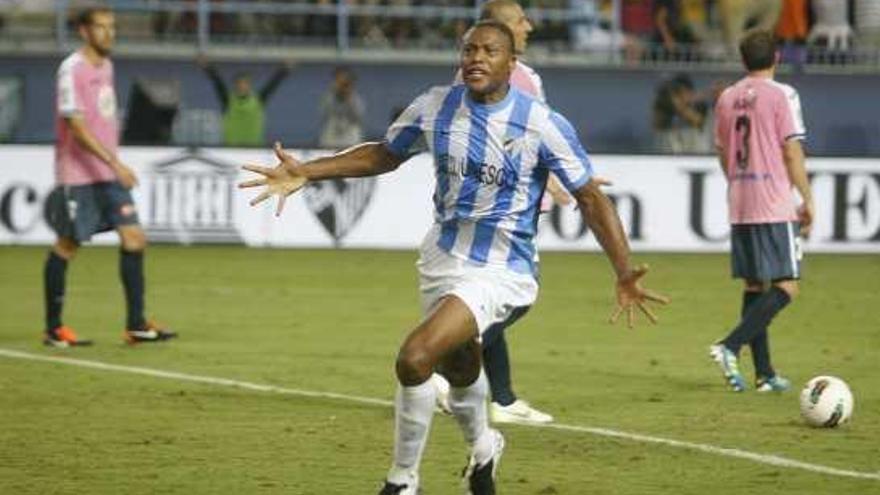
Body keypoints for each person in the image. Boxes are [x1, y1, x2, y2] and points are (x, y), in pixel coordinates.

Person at [240, 20, 668, 495]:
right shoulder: (435, 105)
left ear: (512, 63)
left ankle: (402, 482)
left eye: (488, 51)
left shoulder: (539, 122)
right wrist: (310, 171)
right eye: (469, 50)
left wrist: (624, 272)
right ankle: (485, 448)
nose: (476, 59)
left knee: (416, 357)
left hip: (502, 268)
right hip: (442, 259)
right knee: (463, 368)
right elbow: (385, 154)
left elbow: (589, 196)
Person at [433, 0, 568, 427]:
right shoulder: (520, 77)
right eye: (521, 19)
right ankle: (440, 367)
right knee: (517, 295)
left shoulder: (465, 75)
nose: (528, 25)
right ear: (502, 29)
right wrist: (564, 180)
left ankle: (504, 399)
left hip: (468, 207)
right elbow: (523, 139)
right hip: (507, 210)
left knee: (485, 298)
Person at [43, 6, 175, 347]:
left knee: (135, 239)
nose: (109, 33)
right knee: (67, 245)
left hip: (108, 174)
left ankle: (136, 325)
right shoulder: (71, 69)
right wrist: (115, 163)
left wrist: (113, 165)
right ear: (84, 32)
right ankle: (54, 328)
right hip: (78, 176)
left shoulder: (108, 67)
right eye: (101, 27)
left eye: (112, 27)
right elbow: (75, 124)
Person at [709, 29, 814, 392]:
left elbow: (723, 151)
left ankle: (764, 374)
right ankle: (729, 345)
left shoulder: (726, 97)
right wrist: (807, 197)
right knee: (787, 285)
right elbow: (791, 150)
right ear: (777, 57)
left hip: (741, 200)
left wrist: (736, 182)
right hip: (773, 201)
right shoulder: (783, 94)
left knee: (755, 285)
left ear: (743, 60)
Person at [198, 56, 292, 147]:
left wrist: (285, 69)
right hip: (231, 149)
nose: (242, 86)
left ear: (250, 85)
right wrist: (207, 67)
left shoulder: (258, 100)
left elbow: (272, 85)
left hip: (254, 149)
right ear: (235, 85)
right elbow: (217, 83)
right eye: (239, 84)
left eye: (245, 83)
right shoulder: (228, 100)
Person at [318, 66, 365, 149]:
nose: (342, 84)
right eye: (339, 80)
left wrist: (348, 96)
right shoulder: (329, 97)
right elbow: (324, 112)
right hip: (330, 140)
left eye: (345, 81)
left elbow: (358, 116)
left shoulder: (356, 99)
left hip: (351, 141)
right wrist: (334, 92)